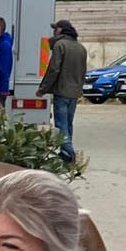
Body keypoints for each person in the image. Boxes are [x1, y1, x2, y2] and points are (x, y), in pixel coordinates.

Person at [38, 19, 88, 163]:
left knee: (61, 125)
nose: (54, 31)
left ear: (61, 30)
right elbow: (83, 71)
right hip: (75, 93)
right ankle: (66, 152)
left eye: (56, 29)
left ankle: (68, 152)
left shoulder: (60, 45)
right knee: (68, 123)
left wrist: (43, 89)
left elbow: (53, 69)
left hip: (62, 91)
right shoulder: (80, 48)